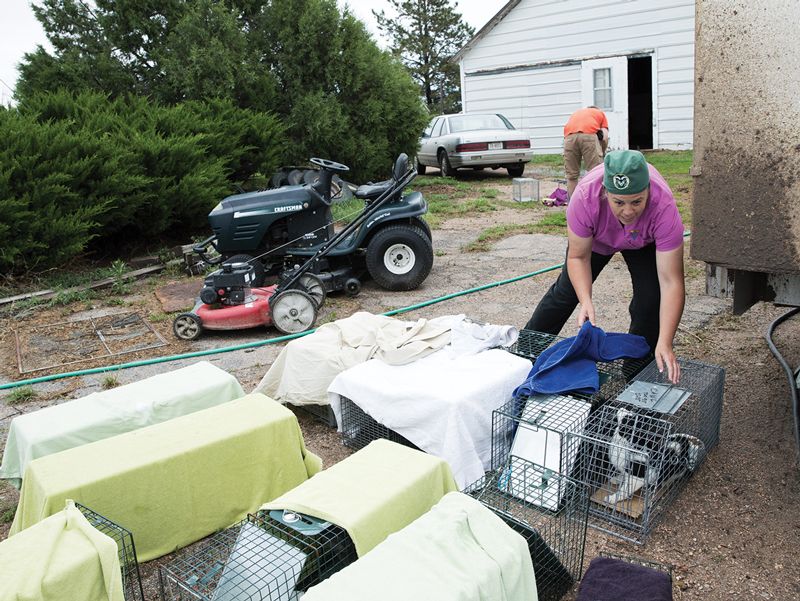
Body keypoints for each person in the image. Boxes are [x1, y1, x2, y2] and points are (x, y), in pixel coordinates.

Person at [524, 150, 685, 383]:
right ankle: (525, 350)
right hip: (598, 237)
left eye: (637, 201)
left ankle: (637, 369)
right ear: (605, 191)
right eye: (619, 202)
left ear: (649, 190)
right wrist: (585, 299)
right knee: (565, 293)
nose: (628, 211)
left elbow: (672, 282)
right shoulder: (585, 197)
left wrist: (666, 340)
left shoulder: (664, 206)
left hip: (642, 240)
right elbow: (578, 258)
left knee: (651, 298)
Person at [563, 106, 609, 198]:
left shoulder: (577, 113)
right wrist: (603, 152)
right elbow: (605, 137)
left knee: (572, 176)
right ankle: (596, 201)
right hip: (589, 136)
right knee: (596, 173)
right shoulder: (600, 113)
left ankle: (573, 205)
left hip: (569, 138)